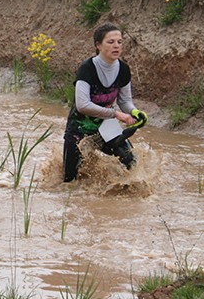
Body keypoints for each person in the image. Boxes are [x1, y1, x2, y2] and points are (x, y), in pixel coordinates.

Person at [63, 23, 148, 183]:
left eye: (119, 42)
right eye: (111, 42)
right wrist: (115, 114)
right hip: (79, 128)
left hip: (106, 127)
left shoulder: (123, 69)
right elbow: (82, 105)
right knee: (69, 181)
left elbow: (125, 101)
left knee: (132, 164)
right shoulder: (86, 69)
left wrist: (135, 112)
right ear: (98, 45)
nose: (116, 46)